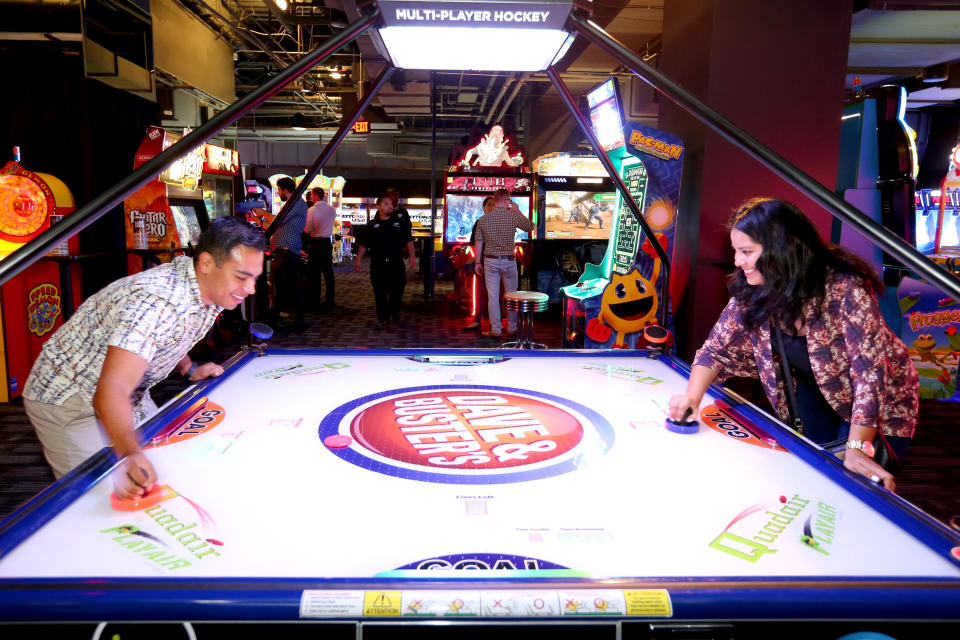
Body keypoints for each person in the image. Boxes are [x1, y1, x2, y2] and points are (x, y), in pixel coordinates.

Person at [668, 197, 918, 491]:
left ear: (781, 250)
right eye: (736, 251)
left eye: (746, 251)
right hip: (812, 391)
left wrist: (857, 446)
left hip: (879, 403)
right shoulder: (752, 289)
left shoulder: (843, 287)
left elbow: (869, 375)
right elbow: (715, 351)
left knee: (853, 483)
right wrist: (693, 399)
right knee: (816, 478)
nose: (737, 261)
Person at [22, 217, 265, 499]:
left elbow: (167, 334)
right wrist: (129, 454)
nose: (251, 290)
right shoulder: (157, 302)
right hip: (69, 396)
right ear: (208, 264)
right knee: (107, 499)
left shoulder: (205, 287)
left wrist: (187, 369)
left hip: (126, 392)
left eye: (254, 278)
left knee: (166, 471)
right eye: (242, 277)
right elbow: (112, 389)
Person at [474, 188, 534, 338]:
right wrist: (518, 211)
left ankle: (496, 329)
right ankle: (512, 327)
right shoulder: (512, 216)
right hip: (508, 260)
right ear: (507, 200)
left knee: (493, 297)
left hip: (490, 260)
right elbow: (530, 226)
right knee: (512, 295)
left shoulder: (483, 219)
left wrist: (477, 263)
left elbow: (479, 242)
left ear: (494, 200)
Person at [355, 196, 416, 329]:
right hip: (378, 264)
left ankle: (395, 311)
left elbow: (409, 240)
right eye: (386, 204)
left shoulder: (400, 223)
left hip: (396, 263)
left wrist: (412, 257)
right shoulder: (372, 224)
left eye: (391, 204)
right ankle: (382, 318)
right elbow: (364, 244)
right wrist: (358, 260)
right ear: (379, 207)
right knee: (380, 292)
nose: (390, 206)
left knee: (397, 290)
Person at [267, 176, 308, 332]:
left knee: (290, 287)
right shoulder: (293, 204)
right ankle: (276, 317)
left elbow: (278, 221)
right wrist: (257, 218)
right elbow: (275, 226)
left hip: (288, 252)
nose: (278, 193)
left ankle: (297, 320)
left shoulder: (296, 203)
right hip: (283, 252)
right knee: (282, 287)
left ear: (285, 190)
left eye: (278, 190)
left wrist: (262, 212)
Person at [464, 197, 495, 330]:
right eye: (489, 205)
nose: (491, 207)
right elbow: (473, 243)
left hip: (497, 262)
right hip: (483, 262)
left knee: (495, 293)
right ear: (483, 207)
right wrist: (478, 261)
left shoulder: (501, 222)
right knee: (480, 291)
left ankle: (496, 323)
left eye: (494, 205)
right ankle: (478, 319)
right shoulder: (479, 222)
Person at [305, 186, 337, 309]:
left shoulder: (311, 210)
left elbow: (307, 229)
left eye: (312, 195)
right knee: (328, 273)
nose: (311, 197)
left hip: (315, 243)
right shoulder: (332, 209)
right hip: (326, 243)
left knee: (314, 273)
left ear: (316, 195)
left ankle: (314, 300)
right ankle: (330, 299)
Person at [460, 124, 524, 168]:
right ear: (490, 135)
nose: (496, 136)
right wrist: (466, 161)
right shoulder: (482, 146)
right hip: (481, 173)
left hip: (495, 175)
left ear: (501, 137)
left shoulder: (503, 152)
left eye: (498, 134)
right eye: (494, 133)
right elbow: (470, 152)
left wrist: (516, 162)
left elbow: (511, 164)